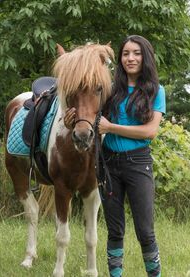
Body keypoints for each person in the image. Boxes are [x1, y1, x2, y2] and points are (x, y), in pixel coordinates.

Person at [64, 35, 165, 277]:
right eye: (126, 53)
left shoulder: (155, 91)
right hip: (108, 164)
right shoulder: (110, 90)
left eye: (136, 53)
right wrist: (72, 122)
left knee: (145, 231)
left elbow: (150, 132)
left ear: (146, 57)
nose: (130, 58)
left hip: (138, 164)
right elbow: (90, 114)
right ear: (120, 59)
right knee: (115, 230)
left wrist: (112, 129)